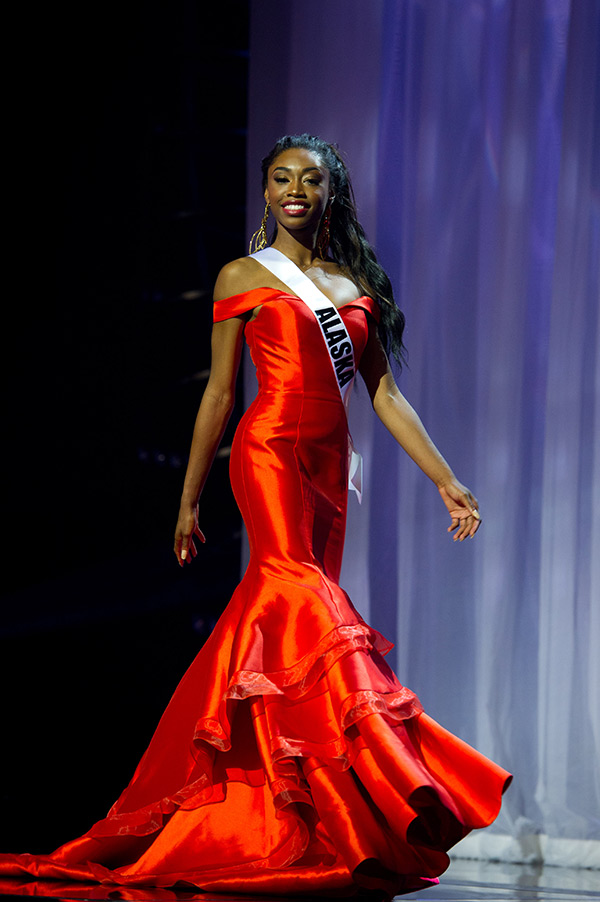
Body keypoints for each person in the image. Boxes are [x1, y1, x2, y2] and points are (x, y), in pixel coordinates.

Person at [0, 135, 510, 900]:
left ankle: (291, 816)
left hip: (331, 470)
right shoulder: (242, 275)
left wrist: (447, 480)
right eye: (281, 178)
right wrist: (189, 496)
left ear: (331, 194)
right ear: (265, 191)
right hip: (267, 451)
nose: (294, 190)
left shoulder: (355, 283)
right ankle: (381, 773)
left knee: (290, 643)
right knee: (300, 598)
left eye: (310, 179)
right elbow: (218, 393)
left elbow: (385, 398)